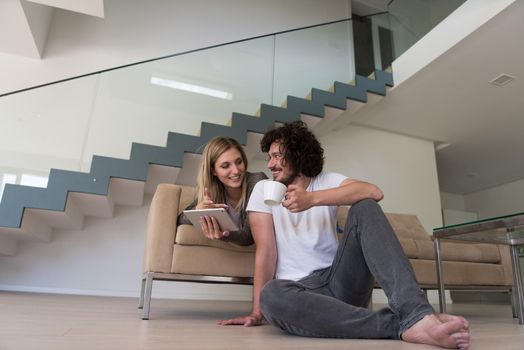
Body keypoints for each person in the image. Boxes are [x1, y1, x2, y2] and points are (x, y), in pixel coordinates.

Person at [219, 121, 470, 350]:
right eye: (269, 157)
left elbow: (374, 191)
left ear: (297, 154)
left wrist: (312, 199)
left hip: (340, 280)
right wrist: (256, 312)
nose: (270, 164)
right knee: (271, 296)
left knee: (365, 205)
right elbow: (266, 252)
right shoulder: (263, 189)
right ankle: (407, 324)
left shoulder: (326, 181)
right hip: (300, 292)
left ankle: (416, 312)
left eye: (276, 156)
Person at [178, 136, 267, 246]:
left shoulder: (257, 181)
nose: (235, 170)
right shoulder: (213, 191)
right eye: (225, 166)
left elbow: (249, 236)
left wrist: (224, 235)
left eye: (239, 162)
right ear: (213, 171)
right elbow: (180, 220)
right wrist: (198, 210)